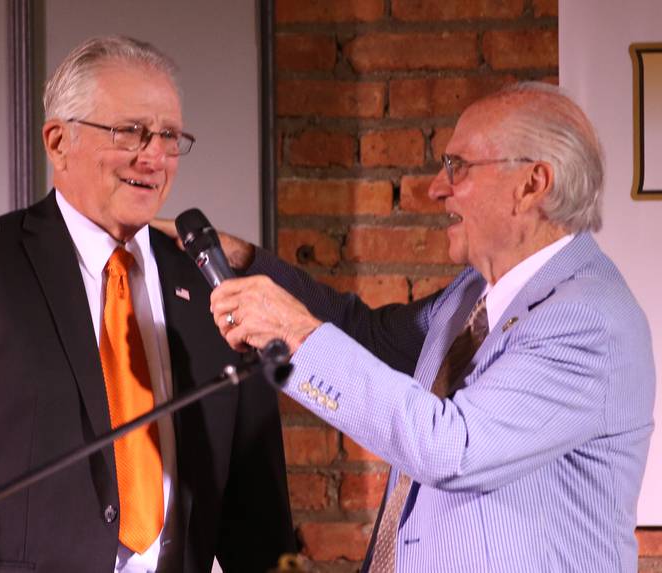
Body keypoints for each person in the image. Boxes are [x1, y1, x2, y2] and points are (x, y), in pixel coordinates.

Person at [0, 36, 295, 572]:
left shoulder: (212, 286)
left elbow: (259, 524)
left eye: (168, 135)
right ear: (57, 141)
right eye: (130, 131)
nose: (154, 156)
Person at [204, 83, 655, 571]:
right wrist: (244, 261)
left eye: (458, 167)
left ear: (532, 184)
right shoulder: (471, 294)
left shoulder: (588, 319)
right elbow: (370, 338)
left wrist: (295, 334)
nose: (435, 188)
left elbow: (453, 449)